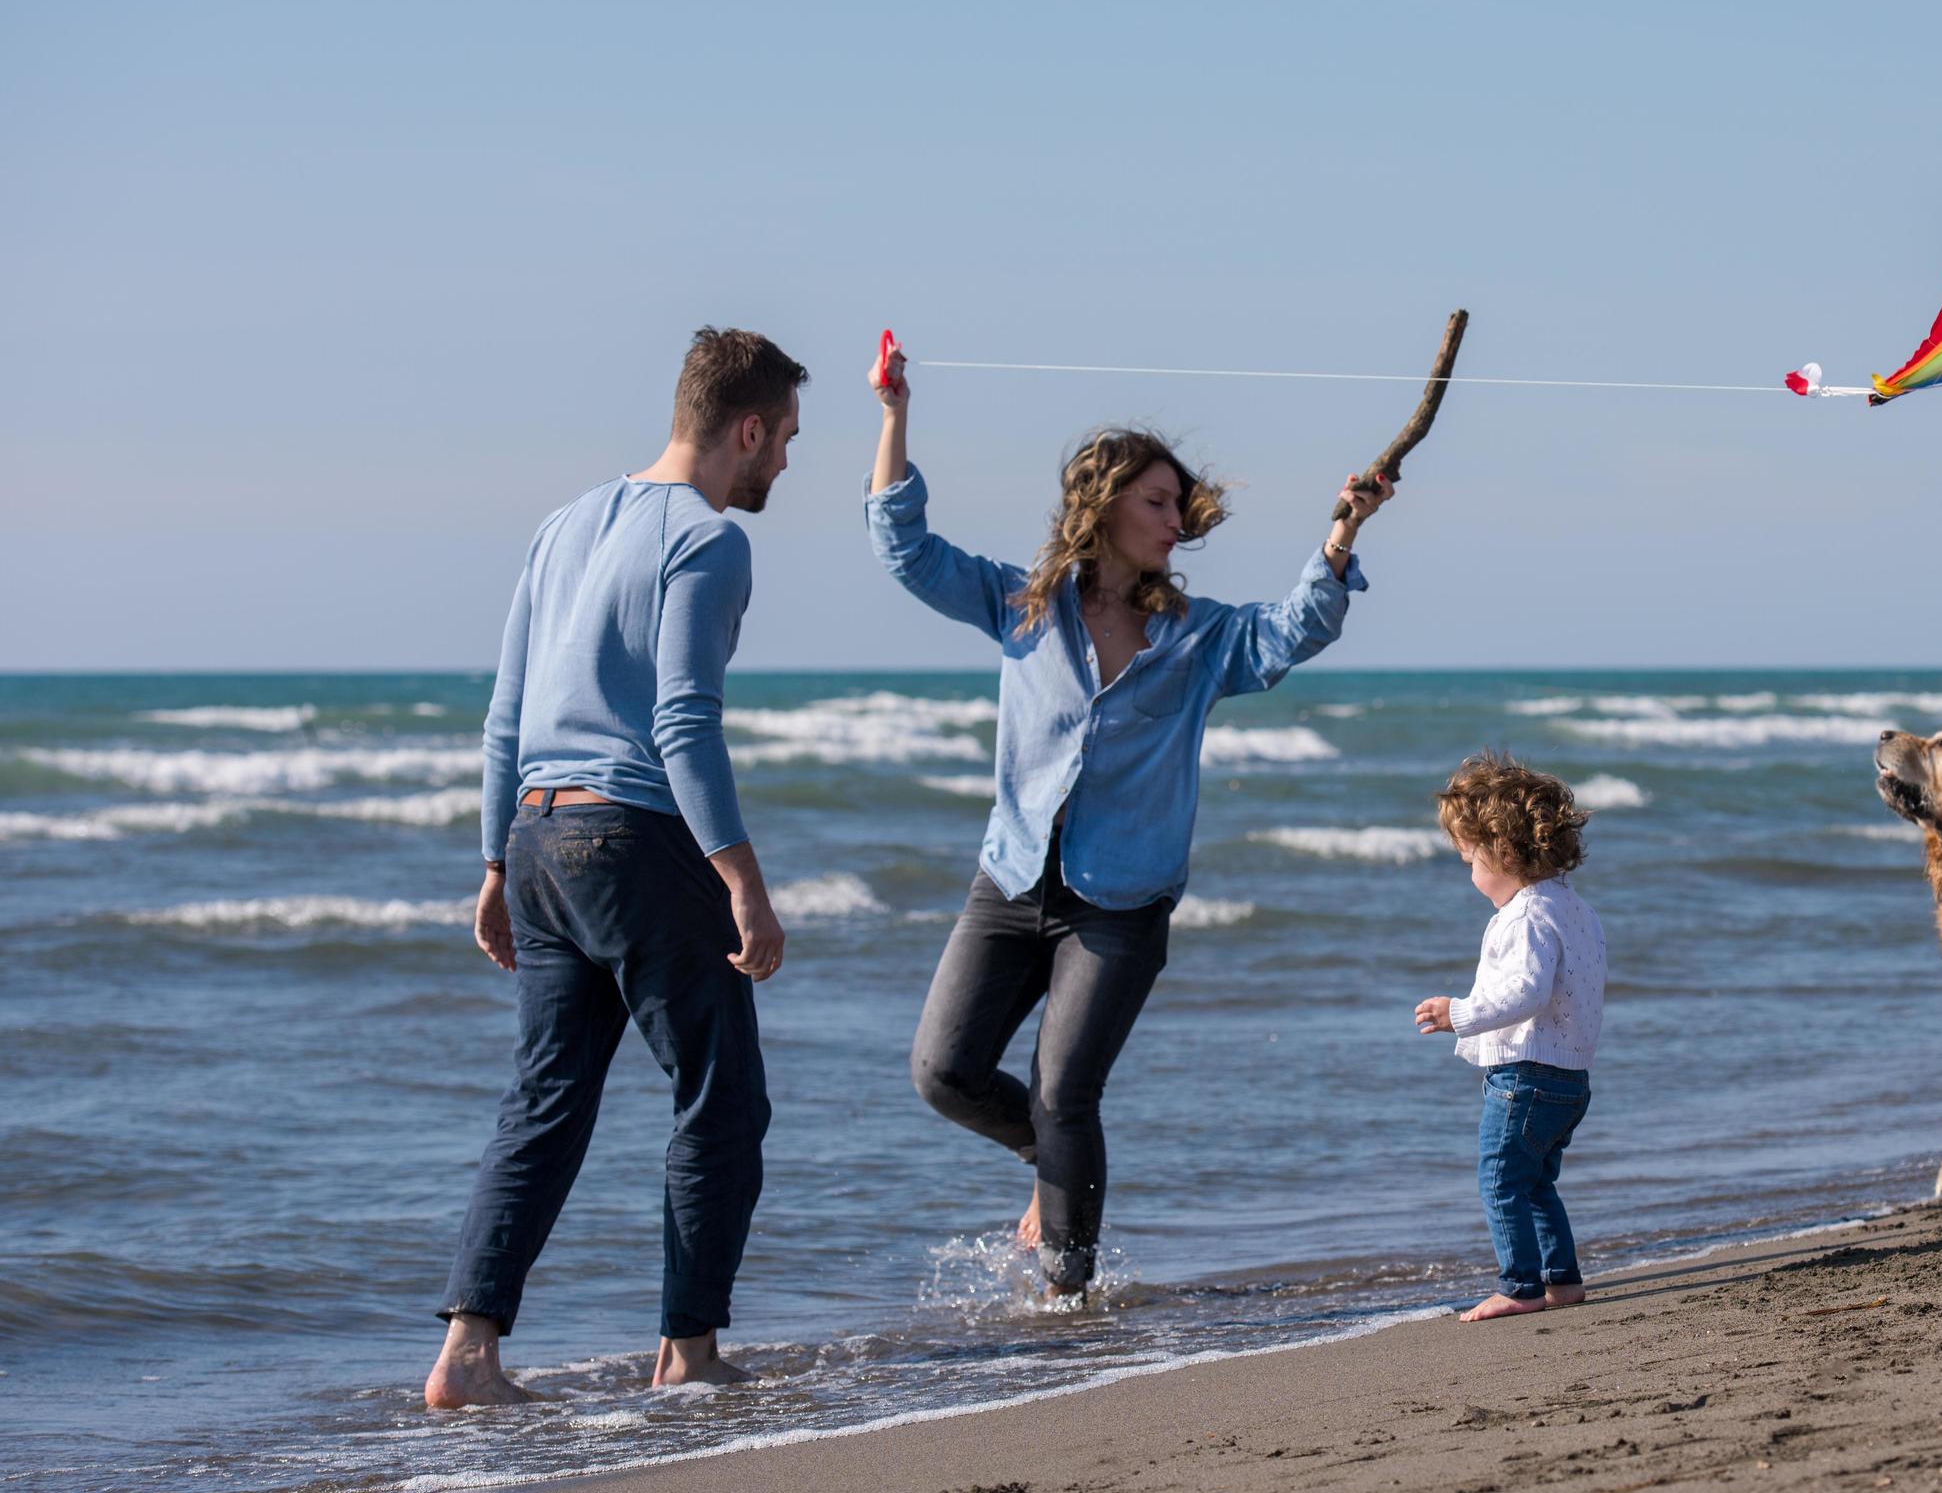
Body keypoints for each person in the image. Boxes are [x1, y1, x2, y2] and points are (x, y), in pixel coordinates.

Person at [864, 340, 1393, 1297]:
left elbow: (1293, 632)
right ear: (1103, 506)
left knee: (1068, 1092)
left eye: (1178, 505)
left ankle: (1068, 1300)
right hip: (1014, 879)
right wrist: (894, 411)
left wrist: (1341, 533)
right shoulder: (1025, 608)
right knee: (942, 1071)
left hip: (1123, 903)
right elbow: (903, 548)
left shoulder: (1196, 639)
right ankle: (1055, 1164)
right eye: (1157, 503)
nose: (1175, 522)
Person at [425, 328, 804, 1409]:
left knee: (545, 1100)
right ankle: (689, 1353)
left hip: (541, 839)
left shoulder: (565, 523)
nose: (783, 463)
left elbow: (506, 716)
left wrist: (496, 862)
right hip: (632, 836)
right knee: (721, 1098)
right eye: (782, 439)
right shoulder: (708, 541)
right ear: (744, 427)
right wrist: (743, 880)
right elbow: (683, 723)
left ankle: (468, 1353)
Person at [1412, 752, 1607, 1322]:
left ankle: (1520, 1285)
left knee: (1500, 1181)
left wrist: (1461, 1013)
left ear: (1504, 852)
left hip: (1527, 1077)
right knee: (1537, 1183)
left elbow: (1526, 991)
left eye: (1470, 858)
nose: (1469, 871)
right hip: (1570, 1077)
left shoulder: (1526, 916)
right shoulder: (1574, 909)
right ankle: (1561, 1280)